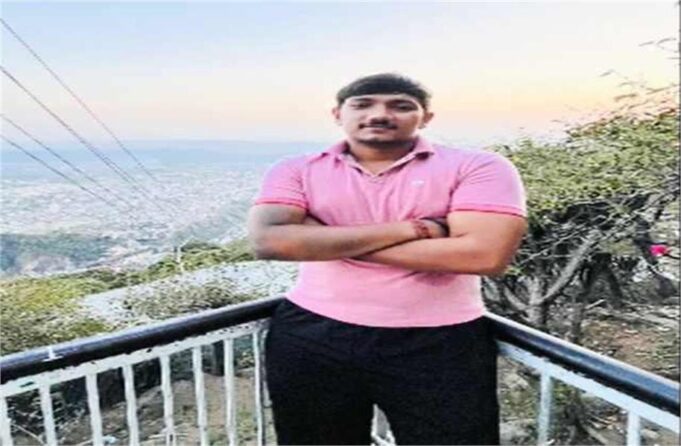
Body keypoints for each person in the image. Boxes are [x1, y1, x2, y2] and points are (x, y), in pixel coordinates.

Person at [247, 73, 527, 445]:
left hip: (440, 340)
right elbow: (268, 242)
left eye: (400, 106)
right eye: (363, 104)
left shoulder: (478, 166)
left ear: (426, 117)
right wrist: (417, 229)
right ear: (338, 114)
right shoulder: (297, 168)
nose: (379, 114)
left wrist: (324, 239)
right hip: (311, 333)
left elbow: (484, 255)